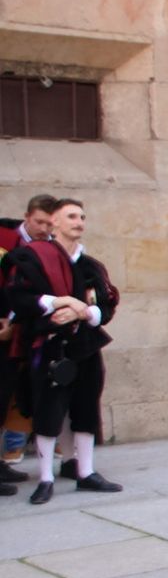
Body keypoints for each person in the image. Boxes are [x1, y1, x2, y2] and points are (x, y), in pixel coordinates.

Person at [4, 198, 123, 504]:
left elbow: (106, 305)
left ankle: (85, 472)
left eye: (82, 216)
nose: (78, 221)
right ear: (54, 222)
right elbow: (20, 297)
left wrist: (83, 313)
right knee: (48, 410)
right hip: (48, 346)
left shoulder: (90, 265)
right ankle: (45, 478)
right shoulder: (32, 257)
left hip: (85, 346)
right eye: (71, 216)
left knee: (86, 408)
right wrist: (59, 303)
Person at [1, 194, 57, 475]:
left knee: (16, 392)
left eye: (50, 224)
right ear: (27, 216)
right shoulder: (4, 239)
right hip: (3, 327)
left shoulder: (51, 247)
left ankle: (9, 454)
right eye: (39, 222)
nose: (44, 229)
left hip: (30, 331)